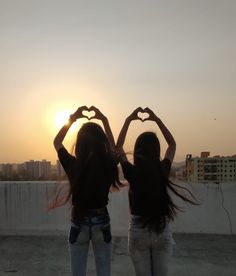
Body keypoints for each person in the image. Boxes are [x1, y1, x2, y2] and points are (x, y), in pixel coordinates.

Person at [116, 107, 197, 276]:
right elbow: (172, 144)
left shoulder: (132, 172)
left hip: (138, 231)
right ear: (156, 151)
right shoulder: (162, 169)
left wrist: (129, 120)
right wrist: (156, 119)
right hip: (162, 229)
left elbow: (119, 147)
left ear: (138, 150)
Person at [52, 105, 120, 276]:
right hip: (101, 221)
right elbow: (115, 150)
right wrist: (104, 120)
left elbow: (57, 142)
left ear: (80, 142)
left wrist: (72, 118)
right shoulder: (107, 164)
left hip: (78, 222)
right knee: (104, 271)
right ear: (101, 142)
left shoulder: (74, 165)